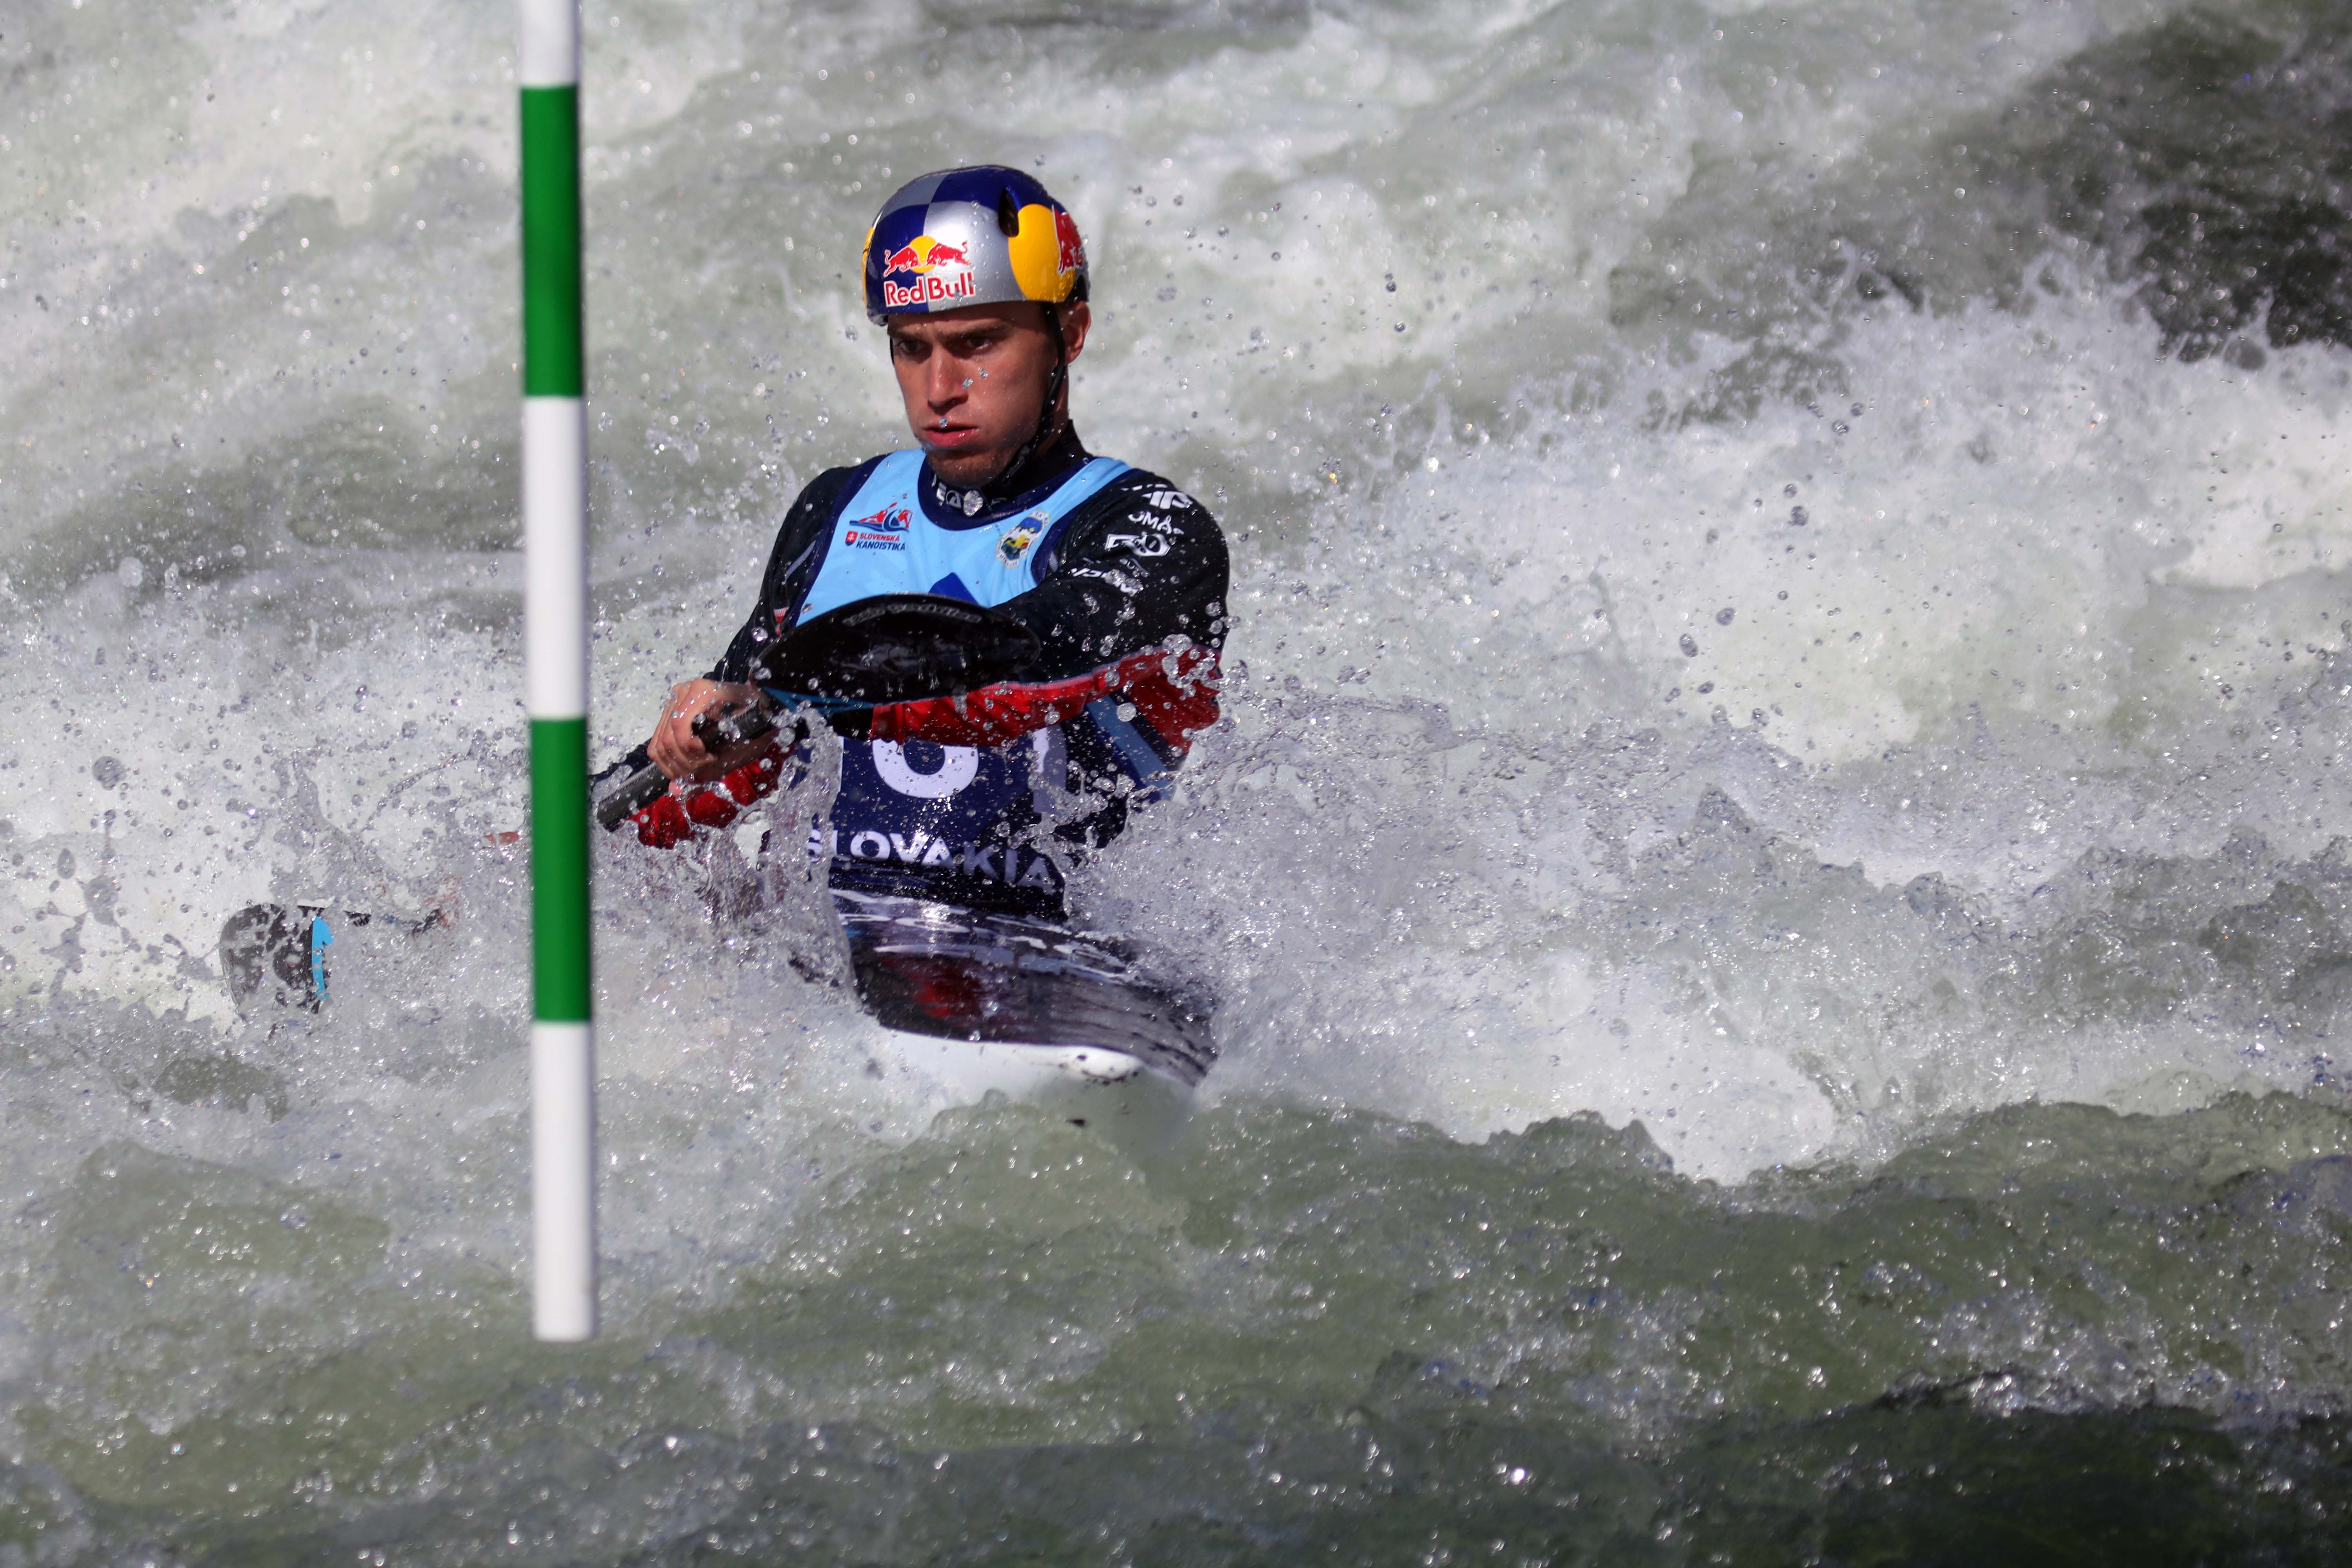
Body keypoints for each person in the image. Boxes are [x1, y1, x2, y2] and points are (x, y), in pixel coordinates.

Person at [619, 165, 1229, 922]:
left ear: (1068, 335)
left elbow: (1031, 664)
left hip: (1045, 940)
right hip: (814, 942)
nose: (939, 388)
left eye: (978, 343)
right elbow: (726, 764)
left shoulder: (1154, 528)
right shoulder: (837, 507)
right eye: (911, 348)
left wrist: (800, 695)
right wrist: (552, 849)